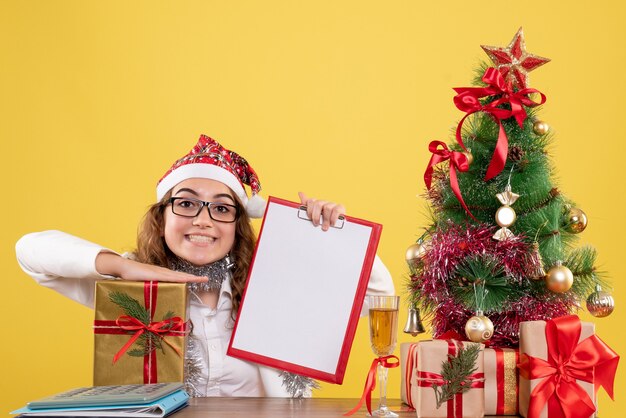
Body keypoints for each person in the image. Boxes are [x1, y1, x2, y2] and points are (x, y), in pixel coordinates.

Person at [16, 134, 395, 398]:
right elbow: (31, 253)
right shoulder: (129, 288)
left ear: (238, 225)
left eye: (221, 208)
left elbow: (380, 294)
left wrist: (316, 227)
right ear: (161, 215)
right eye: (186, 203)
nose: (203, 219)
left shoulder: (275, 286)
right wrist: (123, 268)